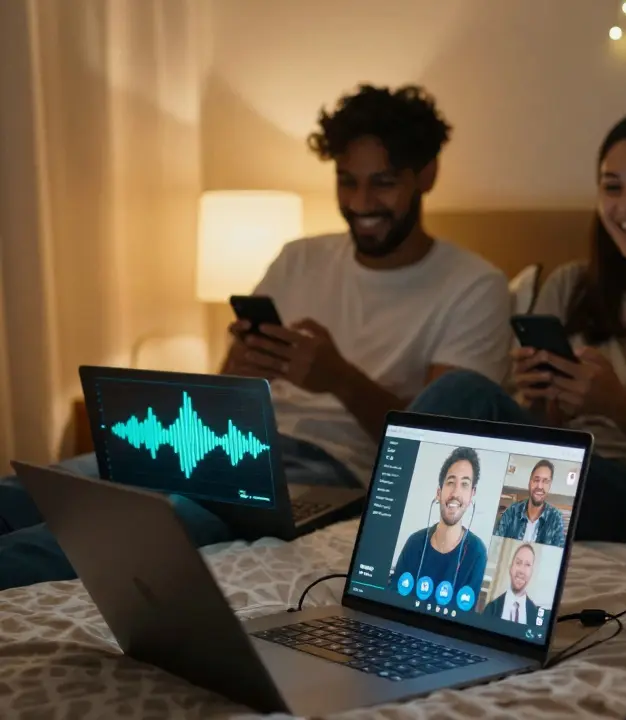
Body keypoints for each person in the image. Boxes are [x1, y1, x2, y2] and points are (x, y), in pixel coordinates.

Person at [0, 83, 511, 591]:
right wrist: (241, 367)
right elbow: (224, 386)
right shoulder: (298, 258)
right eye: (346, 181)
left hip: (327, 474)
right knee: (35, 492)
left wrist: (338, 378)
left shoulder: (474, 286)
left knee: (113, 529)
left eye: (382, 183)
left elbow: (440, 449)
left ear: (426, 174)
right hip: (229, 445)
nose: (360, 202)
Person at [407, 109, 626, 542]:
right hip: (552, 477)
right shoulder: (569, 285)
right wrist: (543, 397)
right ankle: (401, 527)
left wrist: (616, 404)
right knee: (464, 393)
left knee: (460, 391)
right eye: (611, 187)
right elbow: (542, 432)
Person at [391, 447, 487, 602]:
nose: (455, 493)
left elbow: (464, 614)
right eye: (450, 482)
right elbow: (393, 597)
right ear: (439, 492)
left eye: (464, 484)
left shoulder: (477, 553)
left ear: (471, 495)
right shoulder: (414, 543)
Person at [494, 459, 566, 547]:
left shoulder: (556, 518)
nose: (540, 486)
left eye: (545, 481)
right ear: (529, 482)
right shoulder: (512, 512)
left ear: (549, 485)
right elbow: (496, 545)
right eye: (536, 480)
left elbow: (557, 555)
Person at [482, 543, 541, 624]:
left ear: (531, 572)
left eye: (527, 565)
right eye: (518, 562)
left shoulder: (536, 615)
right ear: (510, 568)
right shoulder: (491, 608)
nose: (521, 571)